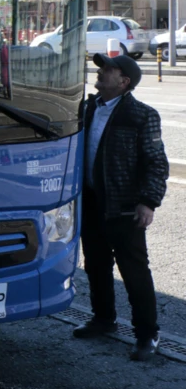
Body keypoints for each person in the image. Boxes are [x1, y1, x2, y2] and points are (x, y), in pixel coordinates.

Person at [72, 53, 169, 361]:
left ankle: (146, 334)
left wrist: (148, 202)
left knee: (134, 271)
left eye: (109, 70)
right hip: (91, 201)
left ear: (124, 82)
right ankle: (104, 319)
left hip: (125, 206)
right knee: (96, 265)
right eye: (101, 68)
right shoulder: (86, 108)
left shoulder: (141, 115)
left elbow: (156, 163)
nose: (100, 73)